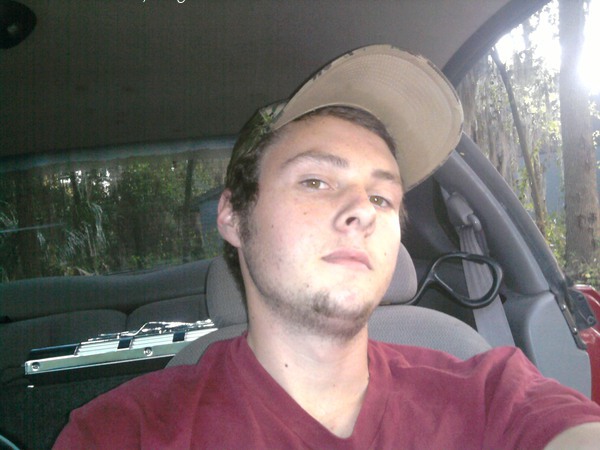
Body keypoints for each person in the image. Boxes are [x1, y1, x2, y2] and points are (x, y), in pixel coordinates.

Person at [54, 45, 600, 449]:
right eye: (315, 181)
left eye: (382, 196)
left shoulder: (492, 393)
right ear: (233, 216)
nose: (363, 209)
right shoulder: (124, 432)